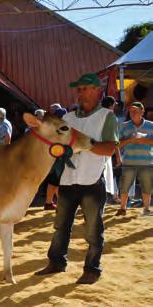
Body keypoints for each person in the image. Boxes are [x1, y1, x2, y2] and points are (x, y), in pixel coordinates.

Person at [35, 73, 119, 284]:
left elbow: (110, 148)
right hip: (68, 179)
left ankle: (92, 270)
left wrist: (85, 144)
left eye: (84, 89)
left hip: (92, 181)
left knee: (93, 229)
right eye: (78, 89)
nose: (80, 93)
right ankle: (56, 262)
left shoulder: (107, 117)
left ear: (98, 91)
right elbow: (55, 143)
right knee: (60, 226)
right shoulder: (69, 118)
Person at [116, 101, 153, 216]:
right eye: (131, 111)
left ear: (142, 112)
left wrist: (144, 140)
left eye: (135, 111)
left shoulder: (151, 125)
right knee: (124, 185)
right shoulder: (124, 126)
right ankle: (123, 208)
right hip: (128, 161)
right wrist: (130, 140)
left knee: (147, 186)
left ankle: (146, 209)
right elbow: (117, 144)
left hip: (147, 161)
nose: (132, 113)